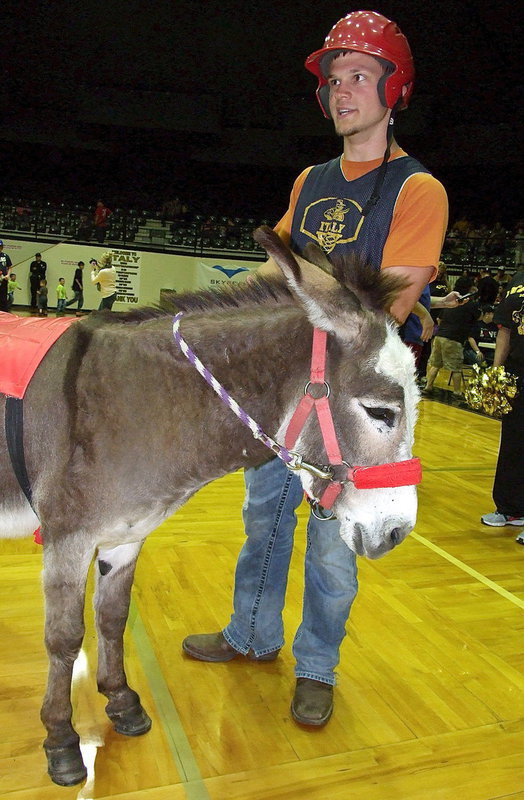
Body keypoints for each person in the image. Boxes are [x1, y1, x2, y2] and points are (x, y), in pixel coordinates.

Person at [182, 10, 449, 728]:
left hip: (353, 407)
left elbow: (388, 309)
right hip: (290, 396)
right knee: (264, 516)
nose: (342, 90)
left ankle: (317, 667)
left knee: (333, 546)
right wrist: (207, 315)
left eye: (360, 75)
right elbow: (276, 278)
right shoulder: (312, 180)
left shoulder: (418, 191)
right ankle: (251, 634)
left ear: (394, 89)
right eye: (334, 79)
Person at [481, 271, 524, 538]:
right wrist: (496, 372)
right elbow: (506, 329)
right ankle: (511, 508)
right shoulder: (518, 280)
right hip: (517, 372)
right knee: (513, 442)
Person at [423, 278, 479, 400]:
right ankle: (457, 392)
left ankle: (428, 386)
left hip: (440, 336)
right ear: (469, 288)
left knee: (435, 364)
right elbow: (478, 318)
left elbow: (439, 319)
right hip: (454, 338)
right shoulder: (470, 305)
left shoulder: (451, 302)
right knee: (456, 368)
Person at [0, 240, 13, 312]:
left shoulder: (5, 256)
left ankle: (3, 312)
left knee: (3, 297)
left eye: (0, 246)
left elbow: (10, 267)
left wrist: (8, 275)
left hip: (4, 280)